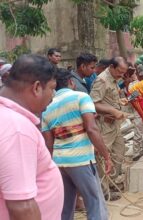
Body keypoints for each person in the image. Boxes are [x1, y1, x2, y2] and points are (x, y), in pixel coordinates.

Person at [41, 69, 111, 220]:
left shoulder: (47, 109)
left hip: (59, 162)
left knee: (66, 206)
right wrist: (106, 156)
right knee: (94, 203)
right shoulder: (81, 97)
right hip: (81, 160)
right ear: (71, 83)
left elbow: (48, 143)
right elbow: (92, 129)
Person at [0, 54, 63, 220]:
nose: (52, 96)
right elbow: (22, 206)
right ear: (36, 88)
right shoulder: (17, 129)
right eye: (51, 88)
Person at [90, 57, 129, 194]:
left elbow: (109, 97)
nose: (121, 75)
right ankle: (104, 190)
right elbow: (93, 104)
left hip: (115, 125)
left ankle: (111, 181)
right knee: (102, 157)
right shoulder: (102, 80)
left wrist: (119, 101)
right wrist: (112, 110)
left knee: (119, 153)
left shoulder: (113, 79)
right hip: (104, 126)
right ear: (112, 67)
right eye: (119, 71)